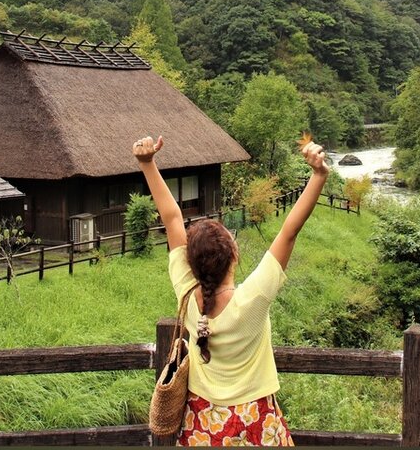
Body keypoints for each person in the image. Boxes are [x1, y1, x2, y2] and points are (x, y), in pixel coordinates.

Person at [132, 134, 330, 446]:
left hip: (201, 418)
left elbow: (171, 218)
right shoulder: (252, 300)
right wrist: (319, 175)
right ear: (233, 256)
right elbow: (290, 231)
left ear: (191, 264)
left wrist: (147, 163)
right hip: (254, 419)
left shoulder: (187, 295)